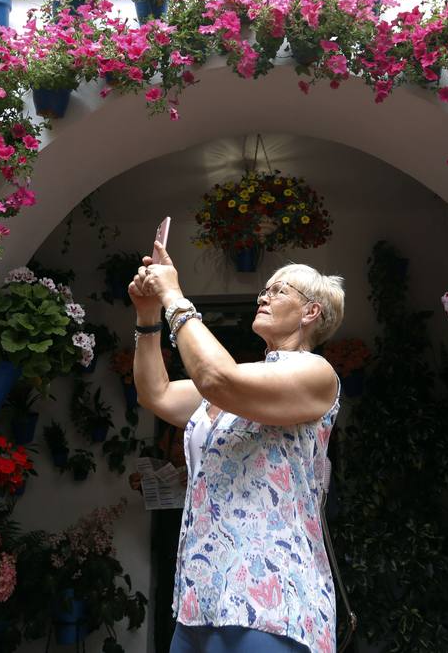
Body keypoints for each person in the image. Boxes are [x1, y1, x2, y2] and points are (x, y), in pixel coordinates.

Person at [129, 240, 345, 653]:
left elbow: (216, 379)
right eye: (264, 289)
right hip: (200, 598)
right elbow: (155, 394)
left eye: (280, 290)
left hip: (271, 599)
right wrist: (147, 315)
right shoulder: (244, 380)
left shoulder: (316, 373)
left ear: (311, 311)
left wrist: (173, 295)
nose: (264, 295)